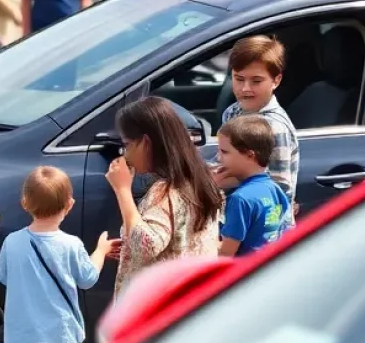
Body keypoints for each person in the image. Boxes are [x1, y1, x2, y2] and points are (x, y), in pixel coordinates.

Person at [0, 167, 113, 343]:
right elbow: (88, 278)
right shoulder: (71, 245)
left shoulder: (11, 242)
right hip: (60, 335)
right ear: (69, 205)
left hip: (21, 336)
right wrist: (101, 251)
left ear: (24, 203)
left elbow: (4, 277)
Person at [106, 96, 223, 299]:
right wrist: (128, 251)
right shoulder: (198, 180)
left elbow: (146, 245)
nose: (126, 155)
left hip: (161, 302)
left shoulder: (165, 191)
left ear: (146, 142)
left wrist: (122, 190)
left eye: (128, 144)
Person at [215, 35, 299, 211]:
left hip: (265, 219)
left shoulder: (274, 127)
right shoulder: (232, 112)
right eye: (239, 79)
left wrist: (229, 180)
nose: (245, 88)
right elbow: (222, 159)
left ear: (276, 80)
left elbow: (279, 188)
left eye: (256, 81)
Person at [215, 116, 291, 257]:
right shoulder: (274, 188)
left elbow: (225, 254)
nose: (218, 158)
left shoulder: (240, 199)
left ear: (250, 155)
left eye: (224, 152)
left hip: (247, 268)